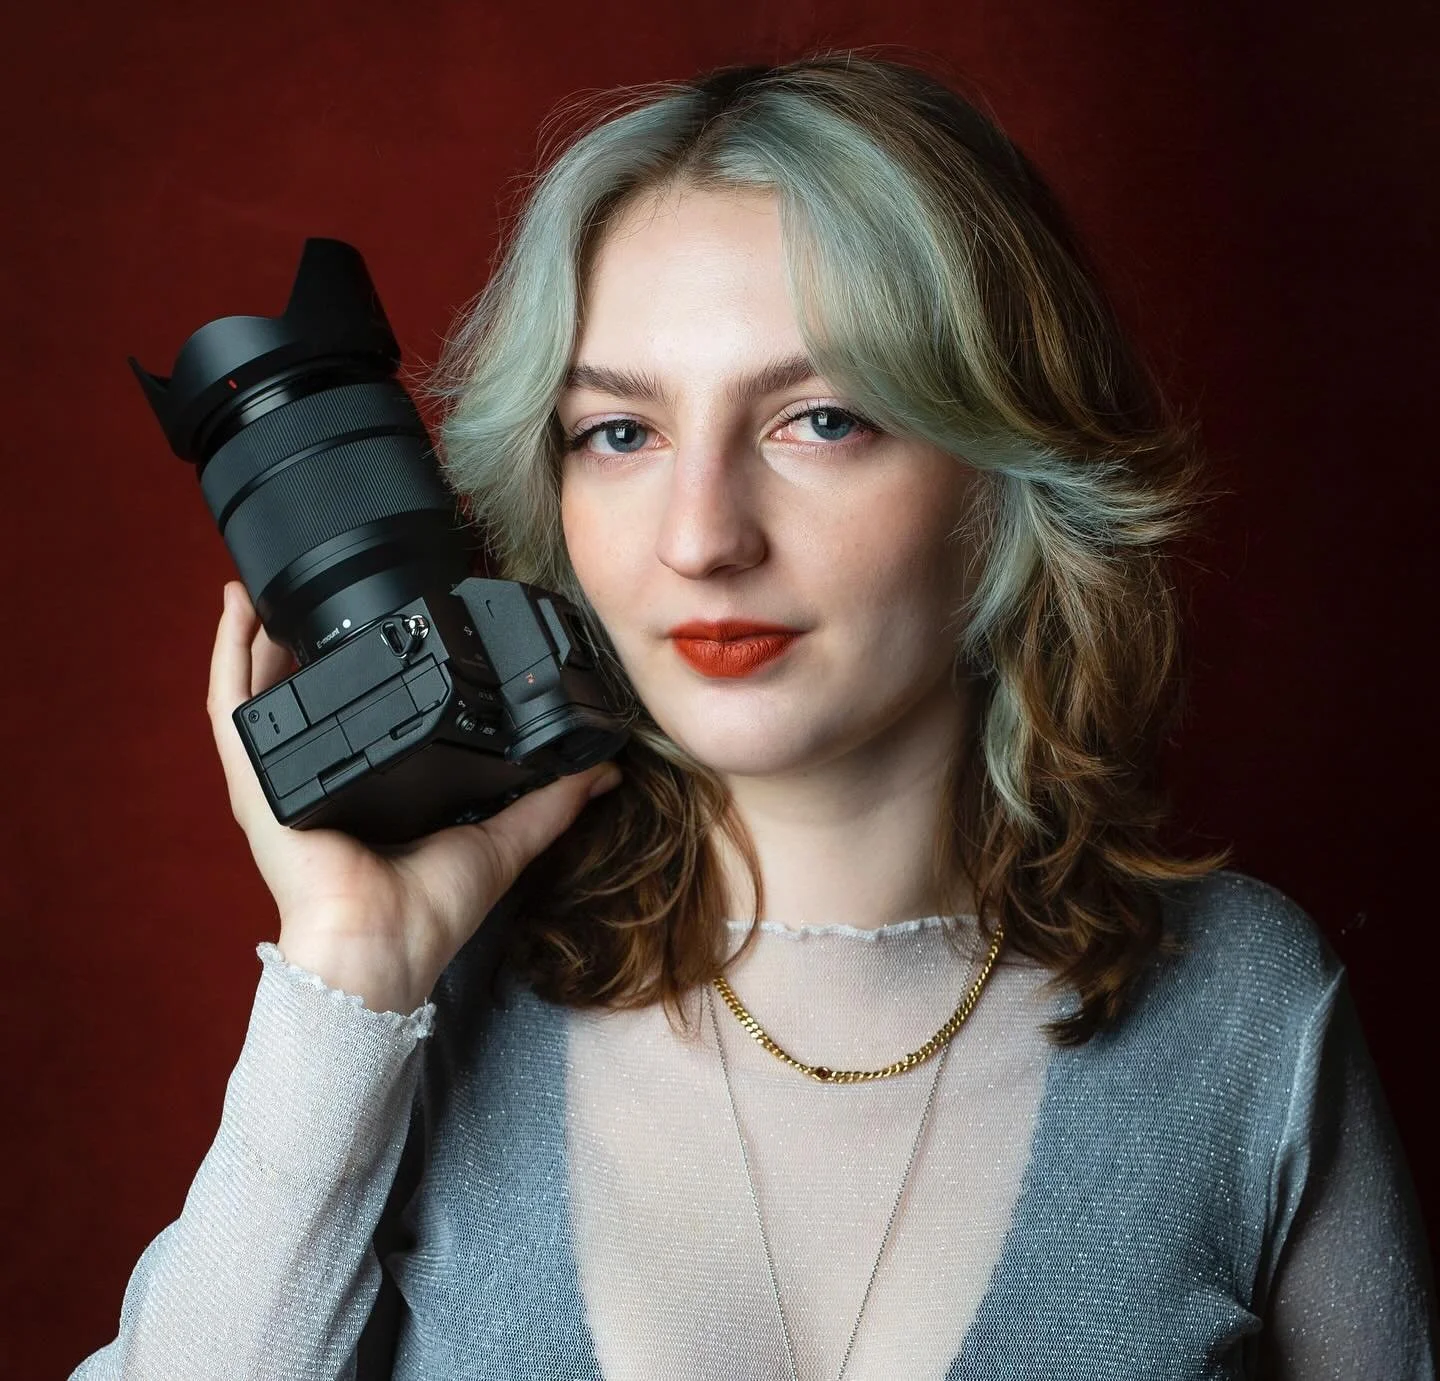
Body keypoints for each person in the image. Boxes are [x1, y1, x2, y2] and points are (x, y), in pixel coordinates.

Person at [73, 52, 1436, 1380]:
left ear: (1005, 471)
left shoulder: (1246, 1011)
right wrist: (351, 980)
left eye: (822, 420)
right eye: (621, 433)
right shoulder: (427, 999)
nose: (702, 537)